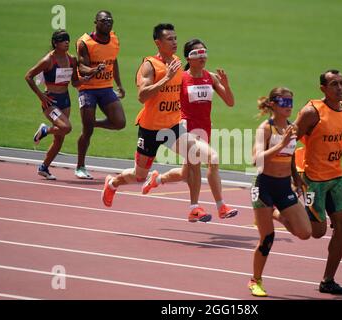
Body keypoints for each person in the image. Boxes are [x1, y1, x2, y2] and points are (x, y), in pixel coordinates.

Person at [101, 23, 207, 222]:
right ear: (158, 43)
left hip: (173, 126)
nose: (175, 42)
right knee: (139, 175)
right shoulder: (149, 65)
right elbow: (142, 96)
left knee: (194, 156)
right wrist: (165, 78)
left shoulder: (176, 61)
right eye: (170, 39)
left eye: (176, 38)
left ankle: (194, 207)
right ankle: (113, 183)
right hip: (150, 128)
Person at [141, 38, 238, 220]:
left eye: (204, 53)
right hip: (185, 130)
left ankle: (157, 180)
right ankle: (217, 206)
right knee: (211, 160)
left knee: (186, 173)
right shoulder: (181, 78)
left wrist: (227, 84)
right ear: (188, 57)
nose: (202, 57)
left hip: (204, 129)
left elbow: (230, 102)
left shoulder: (211, 77)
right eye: (197, 54)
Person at [294, 69, 342, 295]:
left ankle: (328, 280)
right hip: (313, 179)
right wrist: (292, 176)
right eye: (334, 84)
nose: (340, 88)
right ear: (323, 89)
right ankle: (287, 212)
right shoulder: (311, 112)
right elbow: (288, 141)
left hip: (336, 178)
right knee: (316, 232)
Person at [249, 87, 312, 297]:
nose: (289, 107)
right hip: (264, 186)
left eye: (291, 102)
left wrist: (296, 176)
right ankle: (255, 280)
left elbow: (291, 154)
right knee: (267, 238)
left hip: (284, 186)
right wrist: (281, 144)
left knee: (304, 232)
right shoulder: (265, 128)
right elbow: (255, 159)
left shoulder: (292, 128)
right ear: (273, 104)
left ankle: (274, 213)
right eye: (284, 102)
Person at [75, 10, 126, 179]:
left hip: (105, 87)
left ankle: (92, 123)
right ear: (95, 22)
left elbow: (114, 60)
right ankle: (80, 166)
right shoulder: (85, 42)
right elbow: (81, 66)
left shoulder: (114, 39)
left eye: (110, 20)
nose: (108, 23)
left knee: (119, 122)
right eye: (104, 20)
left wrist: (119, 84)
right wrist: (94, 70)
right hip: (87, 88)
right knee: (87, 133)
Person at [25, 29, 81, 180]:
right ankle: (45, 130)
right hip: (50, 101)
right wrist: (40, 95)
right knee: (66, 127)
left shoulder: (72, 60)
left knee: (60, 138)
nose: (67, 42)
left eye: (68, 39)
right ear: (55, 43)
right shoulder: (48, 60)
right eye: (63, 40)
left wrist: (90, 76)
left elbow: (75, 82)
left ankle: (44, 167)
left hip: (65, 100)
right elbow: (28, 76)